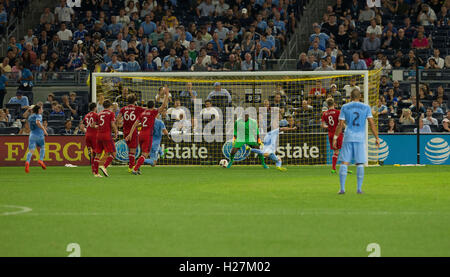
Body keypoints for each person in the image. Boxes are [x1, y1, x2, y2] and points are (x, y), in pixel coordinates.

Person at [333, 88, 380, 194]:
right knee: (359, 163)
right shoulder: (366, 107)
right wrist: (377, 137)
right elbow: (372, 123)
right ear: (360, 97)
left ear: (350, 97)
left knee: (344, 162)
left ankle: (342, 189)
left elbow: (340, 124)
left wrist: (335, 138)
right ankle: (359, 189)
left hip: (348, 136)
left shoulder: (345, 107)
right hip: (360, 138)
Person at [126, 87, 169, 175]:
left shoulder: (142, 113)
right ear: (153, 107)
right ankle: (135, 168)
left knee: (142, 152)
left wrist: (130, 134)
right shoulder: (153, 113)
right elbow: (164, 106)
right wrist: (166, 95)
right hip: (148, 136)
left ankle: (137, 168)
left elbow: (135, 124)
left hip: (140, 134)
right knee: (145, 154)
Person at [117, 94, 145, 173]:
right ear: (135, 101)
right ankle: (131, 167)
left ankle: (131, 166)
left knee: (130, 149)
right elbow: (147, 111)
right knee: (133, 150)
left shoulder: (123, 109)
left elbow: (117, 118)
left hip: (125, 131)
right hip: (133, 131)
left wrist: (120, 124)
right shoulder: (138, 108)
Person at [93, 100, 118, 178]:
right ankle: (104, 167)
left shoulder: (99, 114)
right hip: (107, 136)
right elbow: (112, 124)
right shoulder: (111, 113)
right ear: (110, 106)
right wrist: (116, 132)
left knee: (98, 154)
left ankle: (96, 173)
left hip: (99, 135)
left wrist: (100, 126)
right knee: (113, 154)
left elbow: (93, 125)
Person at [321, 98, 346, 174]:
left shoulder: (324, 114)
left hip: (330, 134)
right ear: (334, 104)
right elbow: (341, 124)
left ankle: (333, 168)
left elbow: (323, 125)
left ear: (327, 105)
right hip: (338, 133)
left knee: (336, 151)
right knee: (344, 149)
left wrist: (329, 127)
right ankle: (344, 168)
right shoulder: (338, 112)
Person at [25, 105, 48, 173]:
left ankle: (27, 162)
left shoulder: (30, 117)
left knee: (31, 151)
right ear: (38, 110)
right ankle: (41, 160)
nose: (42, 110)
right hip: (39, 135)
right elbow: (37, 122)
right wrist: (44, 129)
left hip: (32, 135)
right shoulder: (39, 115)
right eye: (41, 109)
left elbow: (25, 116)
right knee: (42, 147)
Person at [83, 103, 99, 175]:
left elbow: (82, 126)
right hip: (94, 135)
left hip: (87, 135)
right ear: (95, 108)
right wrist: (98, 127)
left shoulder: (86, 115)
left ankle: (93, 169)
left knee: (91, 153)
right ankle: (95, 170)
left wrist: (86, 131)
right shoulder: (96, 115)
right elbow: (96, 125)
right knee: (96, 152)